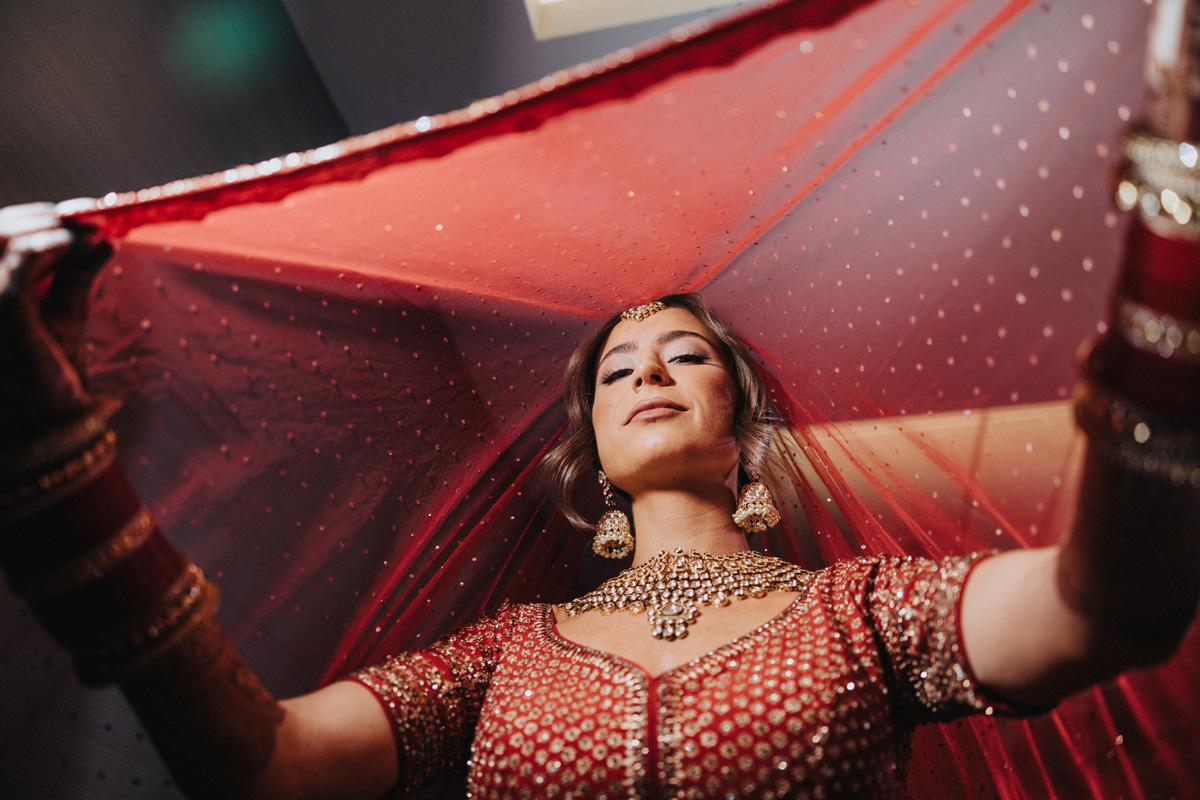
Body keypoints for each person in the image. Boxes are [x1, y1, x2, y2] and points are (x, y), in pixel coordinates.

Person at [1, 183, 1198, 799]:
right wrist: (58, 466)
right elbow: (263, 767)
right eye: (619, 367)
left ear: (743, 428)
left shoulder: (865, 612)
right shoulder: (503, 654)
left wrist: (1171, 251)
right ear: (595, 451)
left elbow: (1108, 604)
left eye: (686, 354)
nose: (649, 371)